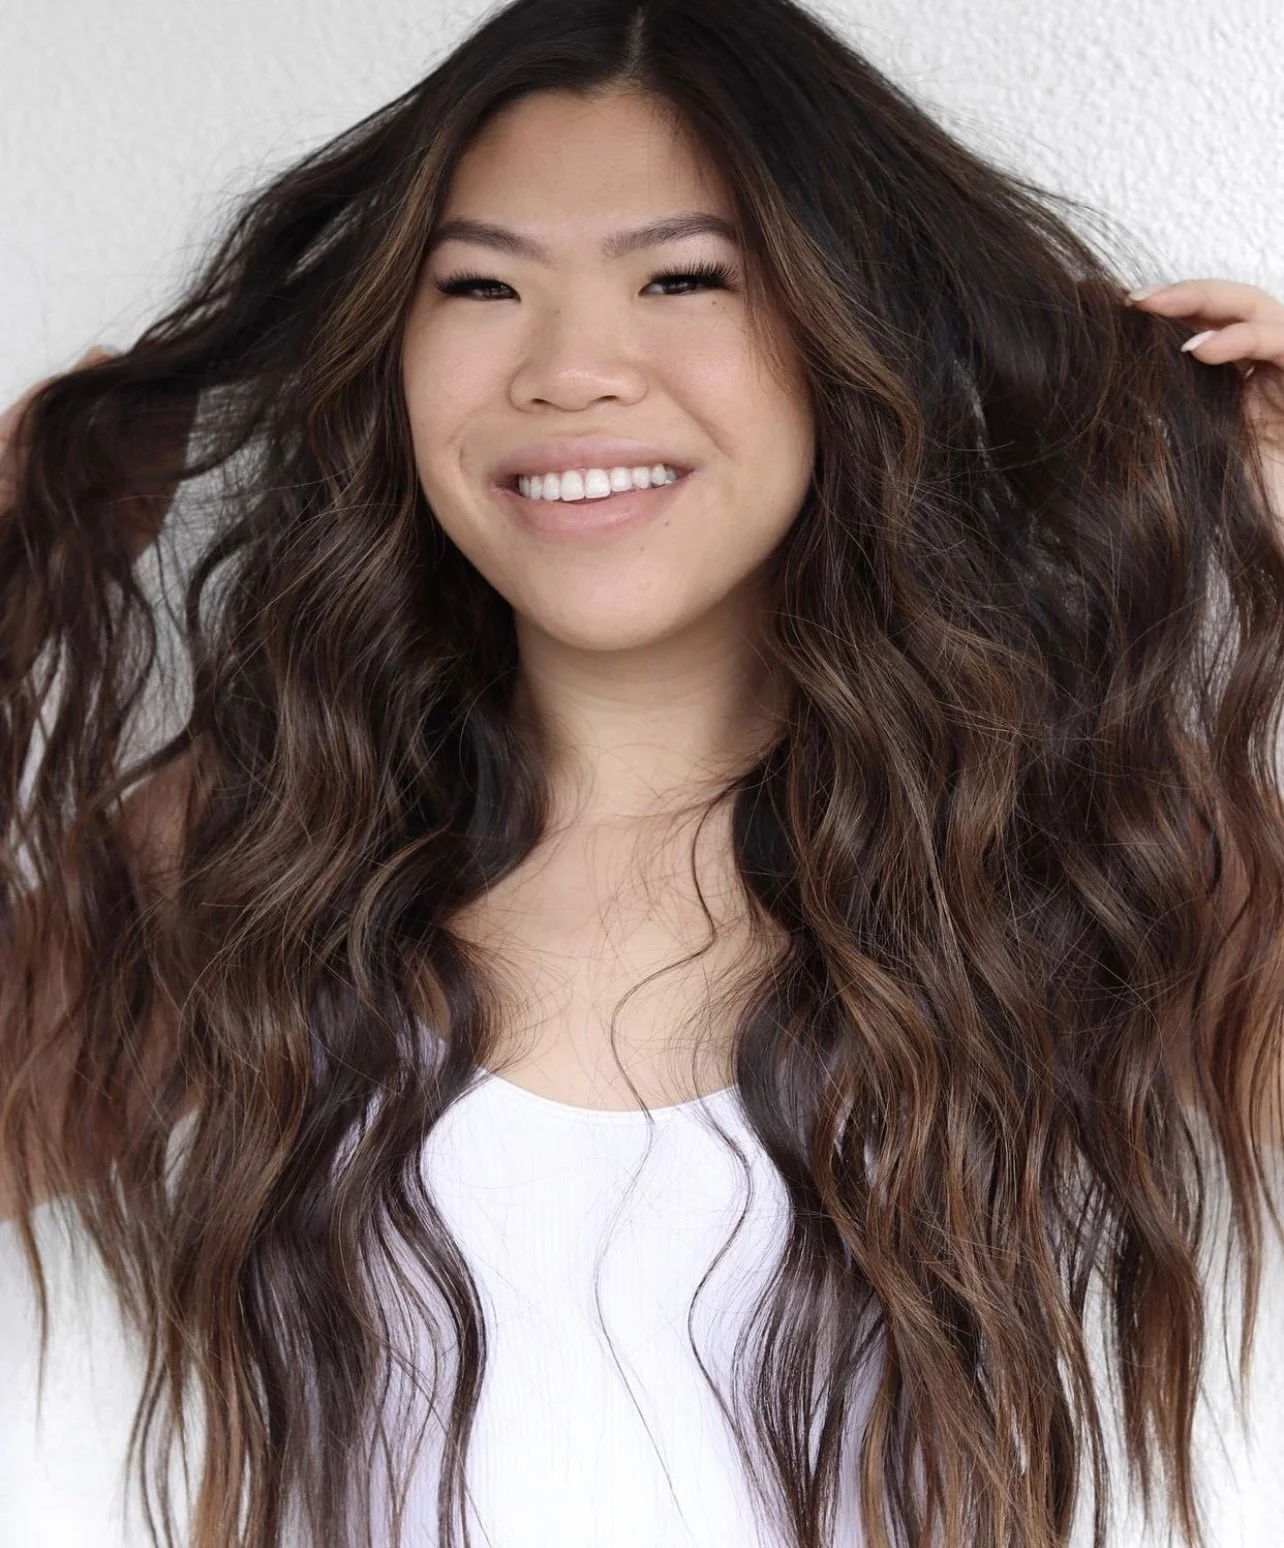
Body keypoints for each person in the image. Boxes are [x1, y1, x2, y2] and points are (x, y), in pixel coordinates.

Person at [2, 1, 1283, 1546]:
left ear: (847, 323)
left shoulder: (1068, 832)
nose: (571, 370)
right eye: (480, 285)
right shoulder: (249, 842)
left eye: (682, 277)